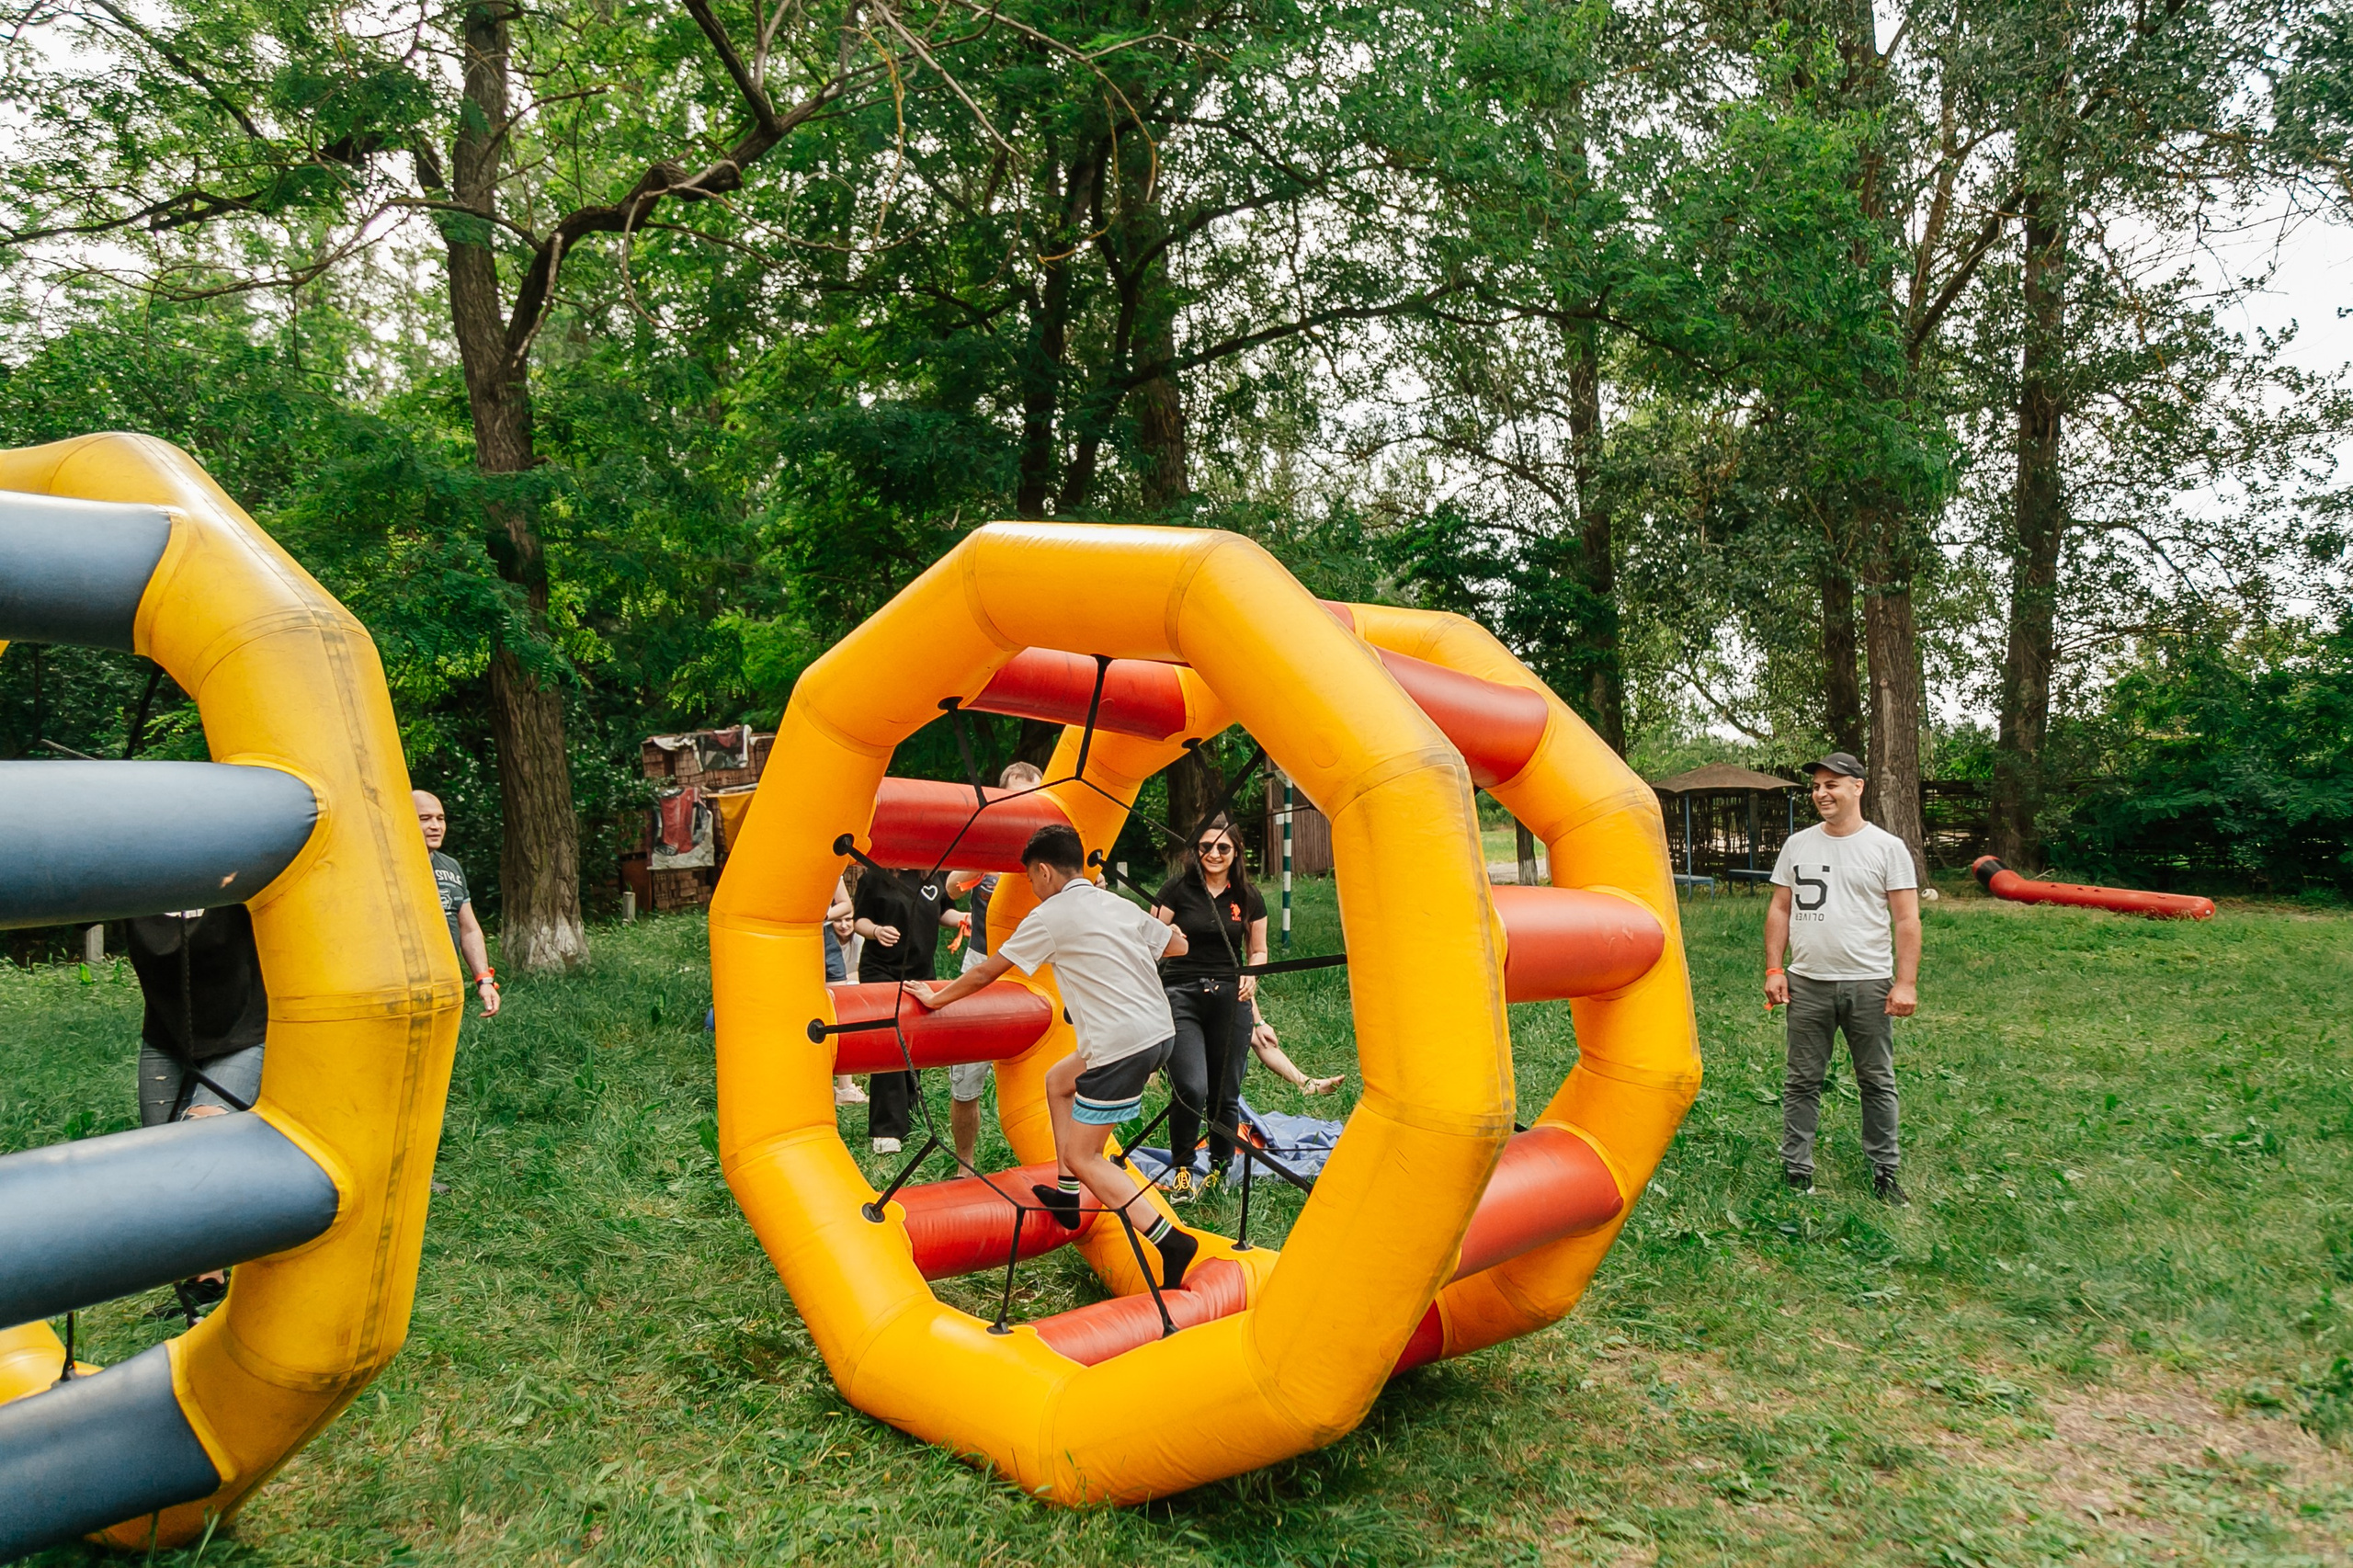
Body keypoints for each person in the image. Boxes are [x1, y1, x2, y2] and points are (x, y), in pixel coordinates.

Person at [911, 824, 1198, 1290]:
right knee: (1058, 1081)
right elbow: (1178, 946)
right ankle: (1067, 1197)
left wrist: (935, 998)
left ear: (1044, 871)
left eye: (1029, 878)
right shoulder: (1114, 902)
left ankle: (1169, 1240)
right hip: (1159, 1031)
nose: (1031, 887)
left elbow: (987, 971)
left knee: (1089, 1157)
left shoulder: (1049, 915)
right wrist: (1170, 932)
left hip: (1120, 1045)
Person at [1764, 751, 1921, 1205]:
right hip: (1807, 982)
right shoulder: (1798, 845)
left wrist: (1905, 983)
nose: (1821, 793)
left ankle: (1885, 1172)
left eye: (1831, 784)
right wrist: (1776, 968)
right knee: (1802, 1080)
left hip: (1869, 983)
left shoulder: (1887, 848)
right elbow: (1780, 907)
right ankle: (1796, 1167)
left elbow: (1907, 920)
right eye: (1816, 786)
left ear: (1858, 787)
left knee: (1876, 1079)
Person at [124, 904, 268, 1320]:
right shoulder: (133, 882)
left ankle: (220, 1276)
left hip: (241, 1033)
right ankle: (205, 1281)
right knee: (165, 1163)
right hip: (166, 1038)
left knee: (201, 1140)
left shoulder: (233, 875)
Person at [1149, 813, 1267, 1201]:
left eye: (1223, 848)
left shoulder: (1247, 896)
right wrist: (1167, 936)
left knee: (1224, 1093)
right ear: (1195, 850)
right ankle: (1182, 1170)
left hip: (1230, 999)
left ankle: (1219, 1170)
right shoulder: (1177, 889)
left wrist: (1253, 971)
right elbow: (1147, 942)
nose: (1213, 854)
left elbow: (1259, 949)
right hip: (1180, 993)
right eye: (1205, 847)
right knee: (1190, 1087)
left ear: (1236, 851)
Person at [940, 761, 1042, 1170]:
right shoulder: (986, 840)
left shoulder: (1054, 844)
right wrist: (984, 859)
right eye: (1013, 795)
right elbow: (950, 888)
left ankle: (1051, 1159)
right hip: (982, 966)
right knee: (966, 1084)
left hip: (1040, 972)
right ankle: (966, 1163)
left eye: (1032, 794)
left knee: (1050, 1076)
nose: (1022, 803)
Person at [850, 861, 968, 1153]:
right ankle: (886, 1130)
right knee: (890, 1045)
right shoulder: (875, 878)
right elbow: (859, 921)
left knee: (913, 1044)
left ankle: (912, 1115)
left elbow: (943, 911)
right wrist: (876, 931)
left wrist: (962, 918)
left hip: (920, 971)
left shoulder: (932, 873)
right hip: (882, 971)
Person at [413, 790, 502, 1017]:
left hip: (446, 985)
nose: (435, 826)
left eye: (440, 818)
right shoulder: (385, 866)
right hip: (401, 987)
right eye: (425, 819)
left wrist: (484, 980)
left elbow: (469, 929)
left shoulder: (451, 866)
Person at [825, 875, 865, 1107]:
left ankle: (845, 1087)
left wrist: (824, 915)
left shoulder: (829, 867)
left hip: (823, 935)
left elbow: (845, 904)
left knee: (837, 1015)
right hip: (792, 939)